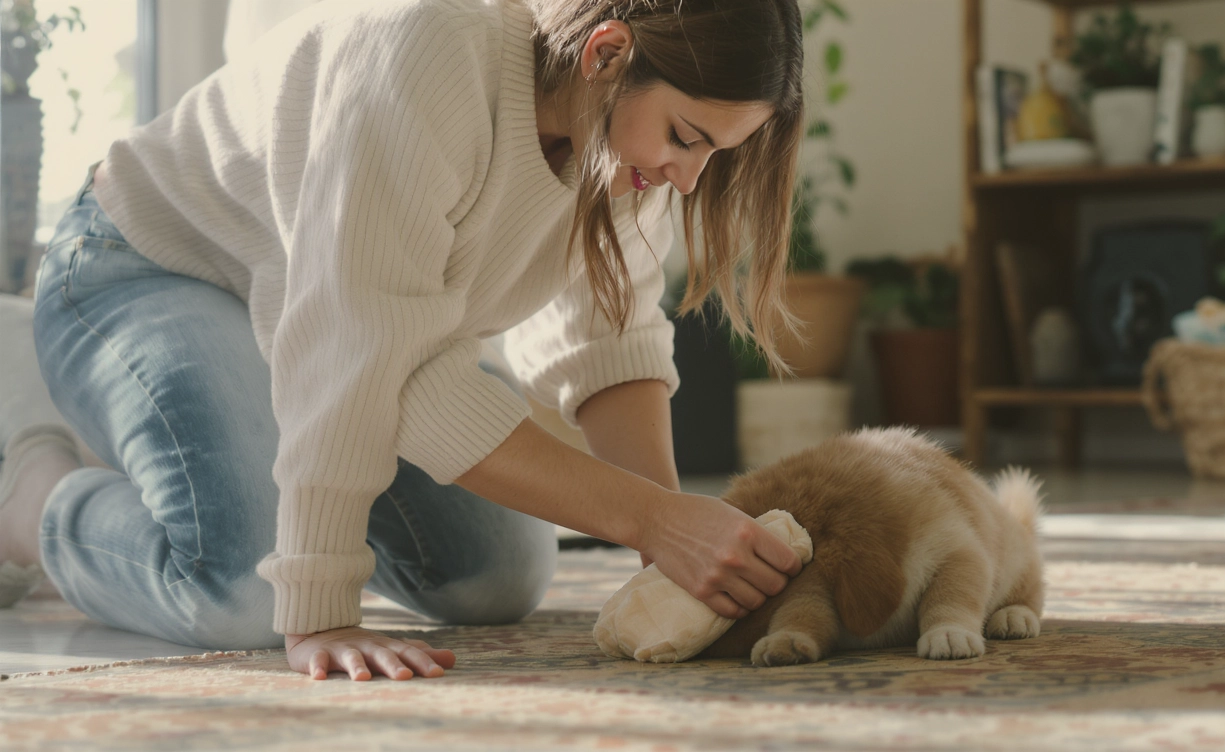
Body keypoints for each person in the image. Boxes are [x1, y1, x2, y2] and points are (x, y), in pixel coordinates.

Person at [0, 0, 805, 681]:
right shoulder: (424, 52)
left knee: (498, 577)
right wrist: (318, 611)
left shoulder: (629, 153)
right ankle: (33, 497)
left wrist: (664, 547)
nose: (688, 178)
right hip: (143, 267)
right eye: (688, 138)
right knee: (245, 595)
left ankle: (222, 452)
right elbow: (366, 356)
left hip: (335, 321)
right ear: (607, 53)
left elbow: (611, 345)